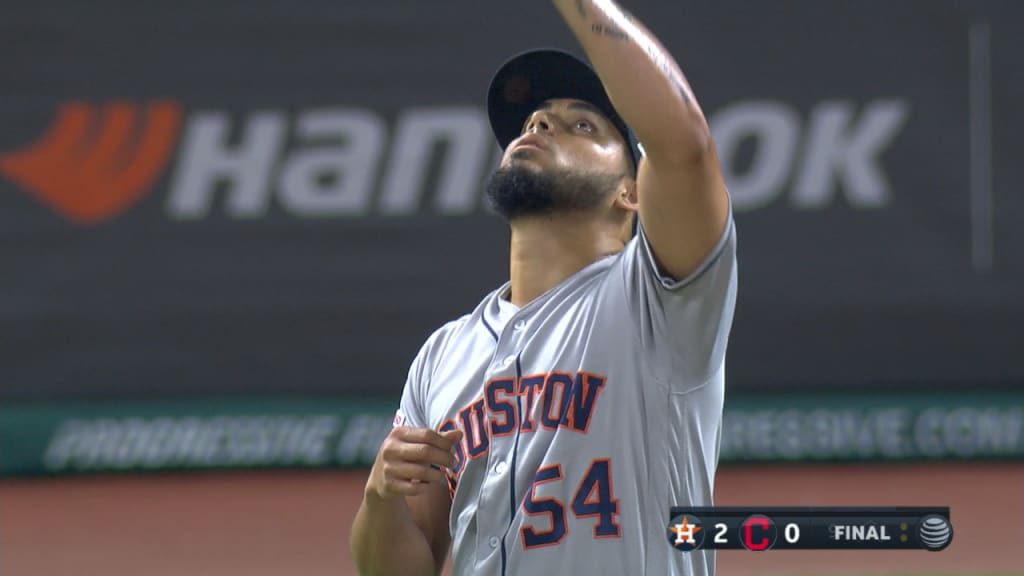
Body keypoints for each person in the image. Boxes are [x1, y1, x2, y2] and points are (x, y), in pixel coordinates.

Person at [351, 0, 735, 574]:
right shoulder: (442, 355)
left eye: (583, 124)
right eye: (534, 119)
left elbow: (684, 144)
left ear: (631, 192)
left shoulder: (659, 298)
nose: (540, 122)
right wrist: (380, 500)